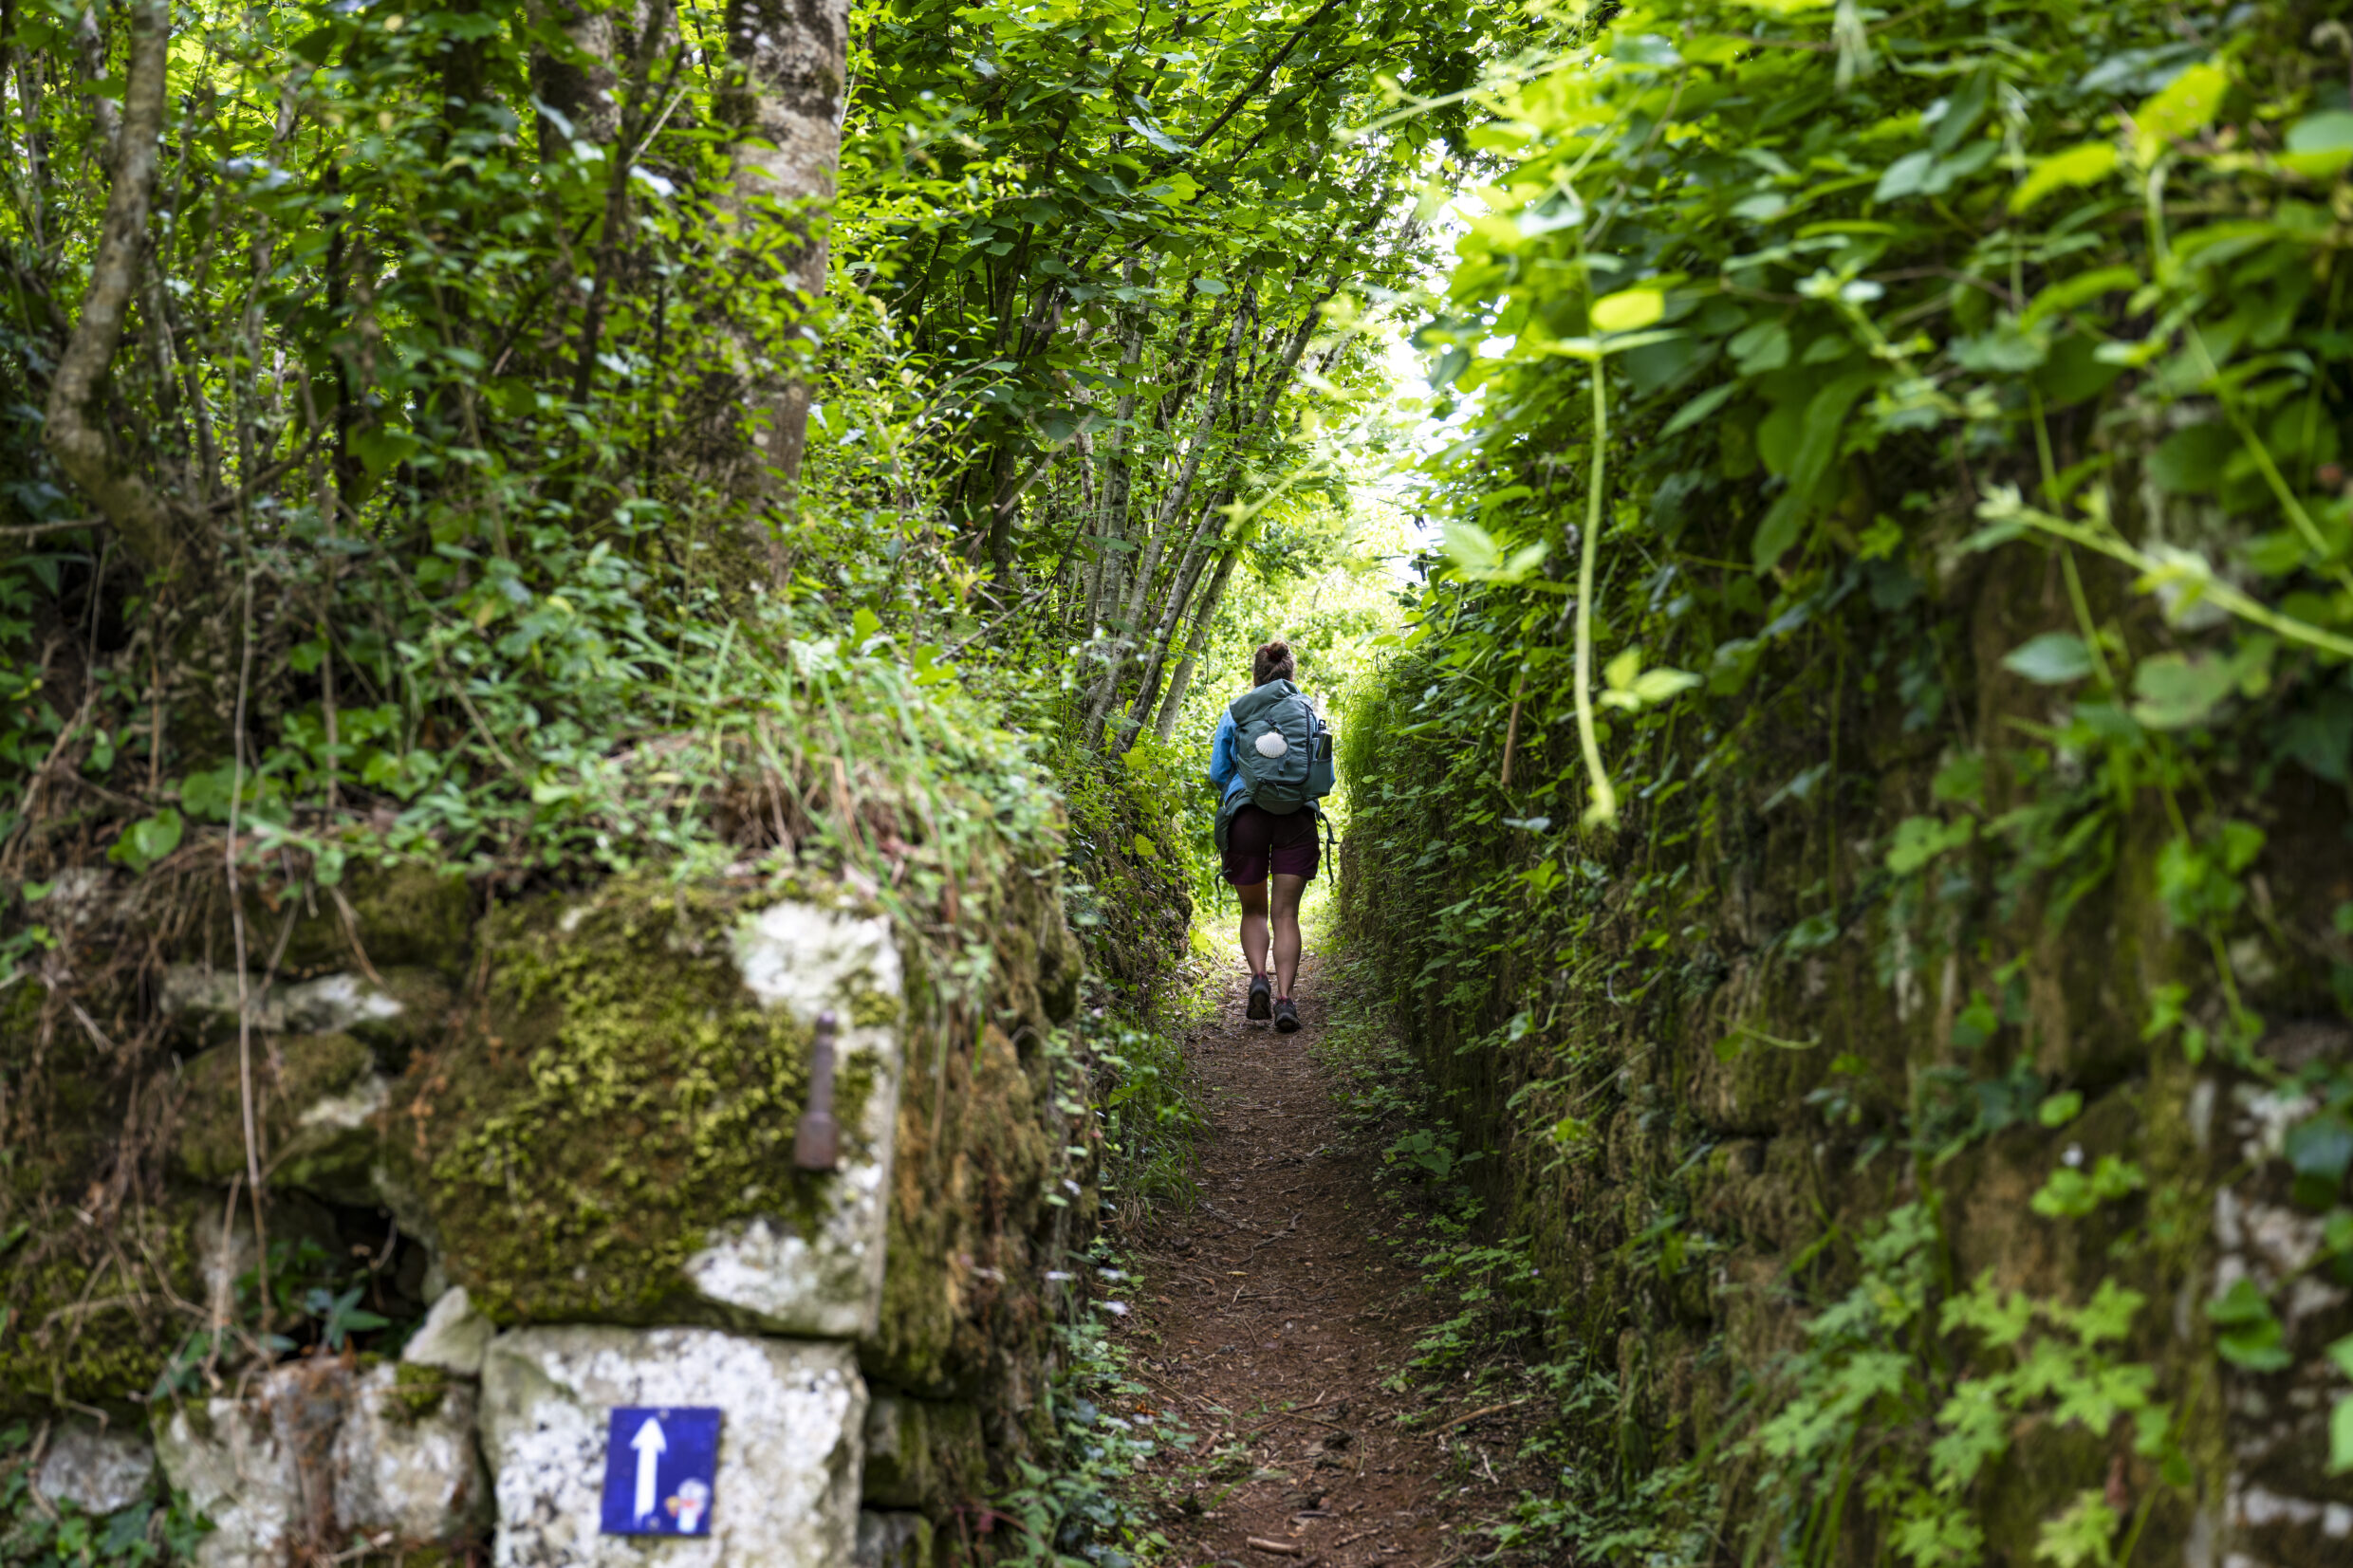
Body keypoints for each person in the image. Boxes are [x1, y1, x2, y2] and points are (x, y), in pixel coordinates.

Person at [1207, 639, 1329, 1034]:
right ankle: (1285, 1000)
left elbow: (1217, 771)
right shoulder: (1308, 709)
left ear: (1254, 675)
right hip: (1297, 818)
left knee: (1255, 911)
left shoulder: (1237, 712)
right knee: (1287, 915)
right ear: (1291, 676)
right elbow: (1320, 772)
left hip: (1246, 817)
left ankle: (1259, 977)